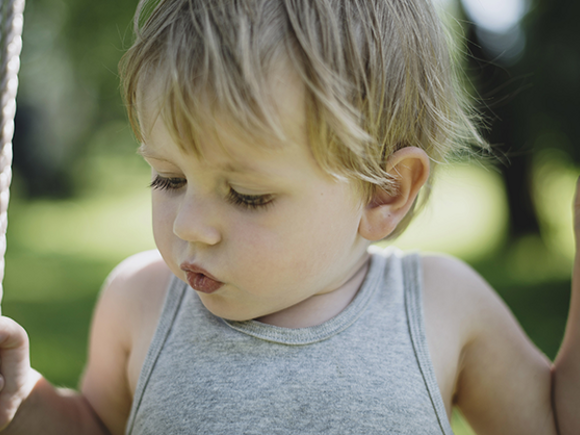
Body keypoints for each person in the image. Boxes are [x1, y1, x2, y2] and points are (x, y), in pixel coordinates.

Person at [0, 0, 578, 434]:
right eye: (169, 179)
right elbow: (93, 426)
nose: (187, 227)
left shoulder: (441, 306)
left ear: (385, 193)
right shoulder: (139, 302)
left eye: (247, 194)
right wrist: (23, 398)